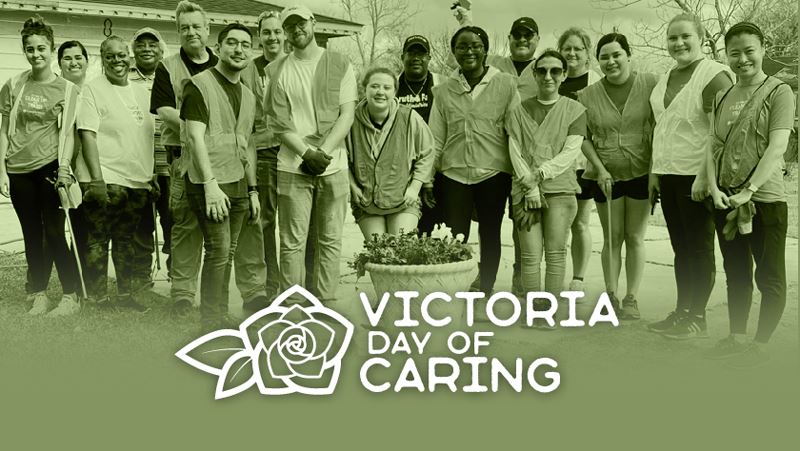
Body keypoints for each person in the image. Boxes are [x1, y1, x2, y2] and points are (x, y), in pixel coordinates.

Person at [694, 22, 795, 367]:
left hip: (764, 201)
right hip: (725, 199)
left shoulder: (779, 92)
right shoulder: (722, 95)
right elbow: (712, 146)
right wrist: (713, 186)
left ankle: (761, 344)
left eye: (749, 50)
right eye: (733, 53)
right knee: (735, 271)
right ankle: (736, 337)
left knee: (769, 275)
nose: (742, 59)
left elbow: (777, 144)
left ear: (763, 48)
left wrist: (749, 190)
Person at [647, 13, 734, 339]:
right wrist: (655, 173)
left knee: (698, 248)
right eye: (672, 38)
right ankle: (682, 310)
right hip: (668, 174)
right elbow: (663, 128)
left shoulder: (713, 75)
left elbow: (720, 133)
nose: (678, 43)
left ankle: (697, 317)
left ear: (701, 37)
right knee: (680, 248)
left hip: (697, 176)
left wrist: (704, 178)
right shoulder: (667, 76)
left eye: (685, 36)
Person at [264, 4, 357, 303]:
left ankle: (326, 301)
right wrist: (306, 153)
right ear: (285, 31)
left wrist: (323, 154)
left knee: (330, 239)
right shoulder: (276, 70)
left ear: (313, 23)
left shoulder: (341, 63)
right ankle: (291, 304)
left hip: (334, 165)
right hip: (292, 166)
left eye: (301, 23)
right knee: (292, 242)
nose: (296, 29)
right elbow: (279, 122)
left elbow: (347, 115)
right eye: (289, 26)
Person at [429, 26, 527, 295]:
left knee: (490, 231)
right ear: (454, 52)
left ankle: (485, 286)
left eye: (475, 45)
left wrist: (521, 176)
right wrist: (427, 178)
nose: (469, 50)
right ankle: (455, 284)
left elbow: (515, 134)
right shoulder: (443, 91)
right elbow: (436, 139)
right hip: (454, 172)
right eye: (462, 46)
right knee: (456, 234)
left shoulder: (506, 84)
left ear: (485, 50)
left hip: (493, 173)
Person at [181, 23, 262, 331]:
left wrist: (253, 189)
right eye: (232, 43)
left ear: (250, 52)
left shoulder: (249, 95)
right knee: (217, 250)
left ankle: (217, 315)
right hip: (209, 182)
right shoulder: (199, 85)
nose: (238, 49)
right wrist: (210, 186)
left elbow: (247, 145)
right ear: (219, 46)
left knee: (226, 253)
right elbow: (194, 137)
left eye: (245, 44)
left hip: (239, 182)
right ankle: (211, 323)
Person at [453, 6, 539, 294]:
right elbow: (472, 54)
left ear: (537, 39)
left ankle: (521, 273)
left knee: (523, 222)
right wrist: (467, 21)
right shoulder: (499, 65)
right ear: (510, 38)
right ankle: (479, 277)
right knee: (492, 223)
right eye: (517, 35)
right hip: (495, 155)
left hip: (529, 153)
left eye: (528, 35)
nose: (522, 40)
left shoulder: (545, 68)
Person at [0, 15, 80, 316]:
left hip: (49, 168)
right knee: (32, 234)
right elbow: (4, 129)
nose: (36, 54)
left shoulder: (67, 90)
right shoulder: (14, 84)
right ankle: (39, 294)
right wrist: (1, 171)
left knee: (56, 233)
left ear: (51, 48)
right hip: (18, 170)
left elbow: (68, 133)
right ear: (25, 51)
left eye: (42, 48)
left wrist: (63, 169)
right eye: (30, 49)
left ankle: (71, 296)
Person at [577, 33, 659, 318]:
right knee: (612, 238)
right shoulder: (586, 95)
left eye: (616, 55)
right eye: (604, 57)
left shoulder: (650, 83)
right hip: (605, 175)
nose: (610, 61)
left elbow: (662, 125)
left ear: (628, 55)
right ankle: (610, 294)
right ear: (597, 61)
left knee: (634, 236)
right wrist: (599, 169)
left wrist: (656, 172)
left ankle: (632, 298)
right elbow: (582, 137)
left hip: (641, 171)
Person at [77, 35, 155, 312]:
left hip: (137, 181)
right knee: (98, 239)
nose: (117, 61)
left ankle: (125, 296)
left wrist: (151, 175)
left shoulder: (140, 92)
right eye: (110, 56)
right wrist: (96, 180)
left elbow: (145, 137)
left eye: (122, 55)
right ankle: (99, 299)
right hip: (108, 178)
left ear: (129, 57)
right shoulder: (93, 89)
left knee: (126, 241)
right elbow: (87, 133)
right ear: (102, 58)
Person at [506, 50, 586, 310]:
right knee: (529, 256)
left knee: (555, 253)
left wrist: (538, 176)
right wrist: (528, 187)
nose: (548, 76)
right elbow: (514, 151)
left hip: (560, 191)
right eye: (542, 71)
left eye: (555, 71)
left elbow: (570, 152)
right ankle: (533, 309)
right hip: (524, 192)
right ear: (535, 74)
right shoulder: (518, 111)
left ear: (564, 75)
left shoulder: (575, 110)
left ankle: (548, 310)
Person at [150, 1, 216, 316]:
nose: (191, 32)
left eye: (196, 26)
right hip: (183, 158)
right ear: (178, 32)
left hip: (222, 159)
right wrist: (198, 127)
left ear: (208, 30)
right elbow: (163, 110)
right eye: (184, 27)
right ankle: (183, 296)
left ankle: (216, 296)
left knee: (221, 229)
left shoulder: (223, 63)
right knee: (186, 226)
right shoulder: (168, 67)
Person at [348, 67, 435, 239]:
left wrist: (415, 187)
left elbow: (428, 152)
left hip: (403, 199)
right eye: (374, 86)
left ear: (395, 91)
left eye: (387, 88)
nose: (380, 92)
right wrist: (351, 185)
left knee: (402, 249)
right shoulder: (350, 119)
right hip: (366, 201)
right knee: (380, 252)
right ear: (364, 88)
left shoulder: (410, 117)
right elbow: (341, 155)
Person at [237, 10, 285, 309]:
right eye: (266, 32)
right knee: (264, 220)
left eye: (277, 31)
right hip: (263, 150)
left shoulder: (295, 66)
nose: (272, 37)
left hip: (293, 151)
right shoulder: (250, 70)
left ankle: (300, 283)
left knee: (295, 223)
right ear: (259, 36)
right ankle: (269, 286)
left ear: (285, 35)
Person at [557, 27, 602, 293]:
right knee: (557, 225)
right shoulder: (553, 77)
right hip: (556, 164)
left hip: (583, 165)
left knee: (581, 222)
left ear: (587, 54)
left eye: (578, 48)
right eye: (567, 48)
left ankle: (578, 279)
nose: (572, 53)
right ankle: (556, 276)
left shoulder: (595, 82)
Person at [129, 27, 171, 292]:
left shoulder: (170, 75)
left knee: (173, 220)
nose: (146, 48)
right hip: (137, 163)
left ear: (161, 49)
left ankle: (178, 277)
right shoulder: (125, 78)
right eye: (141, 44)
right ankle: (140, 275)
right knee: (140, 223)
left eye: (152, 44)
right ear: (133, 50)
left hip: (168, 162)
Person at [395, 34, 445, 237]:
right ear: (402, 57)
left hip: (437, 167)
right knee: (405, 229)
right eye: (411, 52)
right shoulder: (392, 86)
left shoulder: (441, 85)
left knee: (436, 230)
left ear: (429, 57)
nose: (416, 58)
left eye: (421, 53)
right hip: (402, 169)